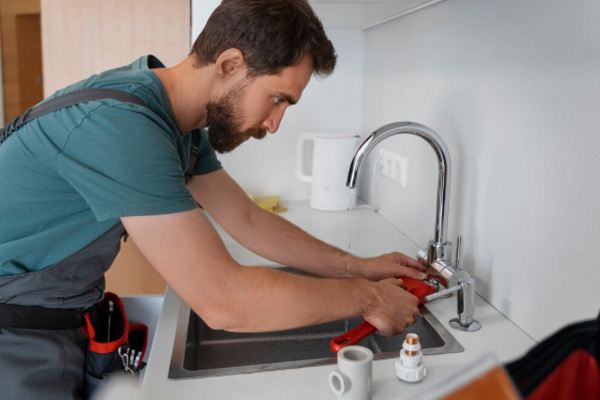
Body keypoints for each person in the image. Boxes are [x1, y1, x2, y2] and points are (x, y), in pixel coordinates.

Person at [0, 0, 426, 398]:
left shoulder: (174, 125)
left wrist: (360, 268)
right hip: (13, 335)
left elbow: (247, 219)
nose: (275, 123)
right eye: (278, 98)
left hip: (54, 321)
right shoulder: (123, 127)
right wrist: (369, 298)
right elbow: (223, 300)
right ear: (229, 64)